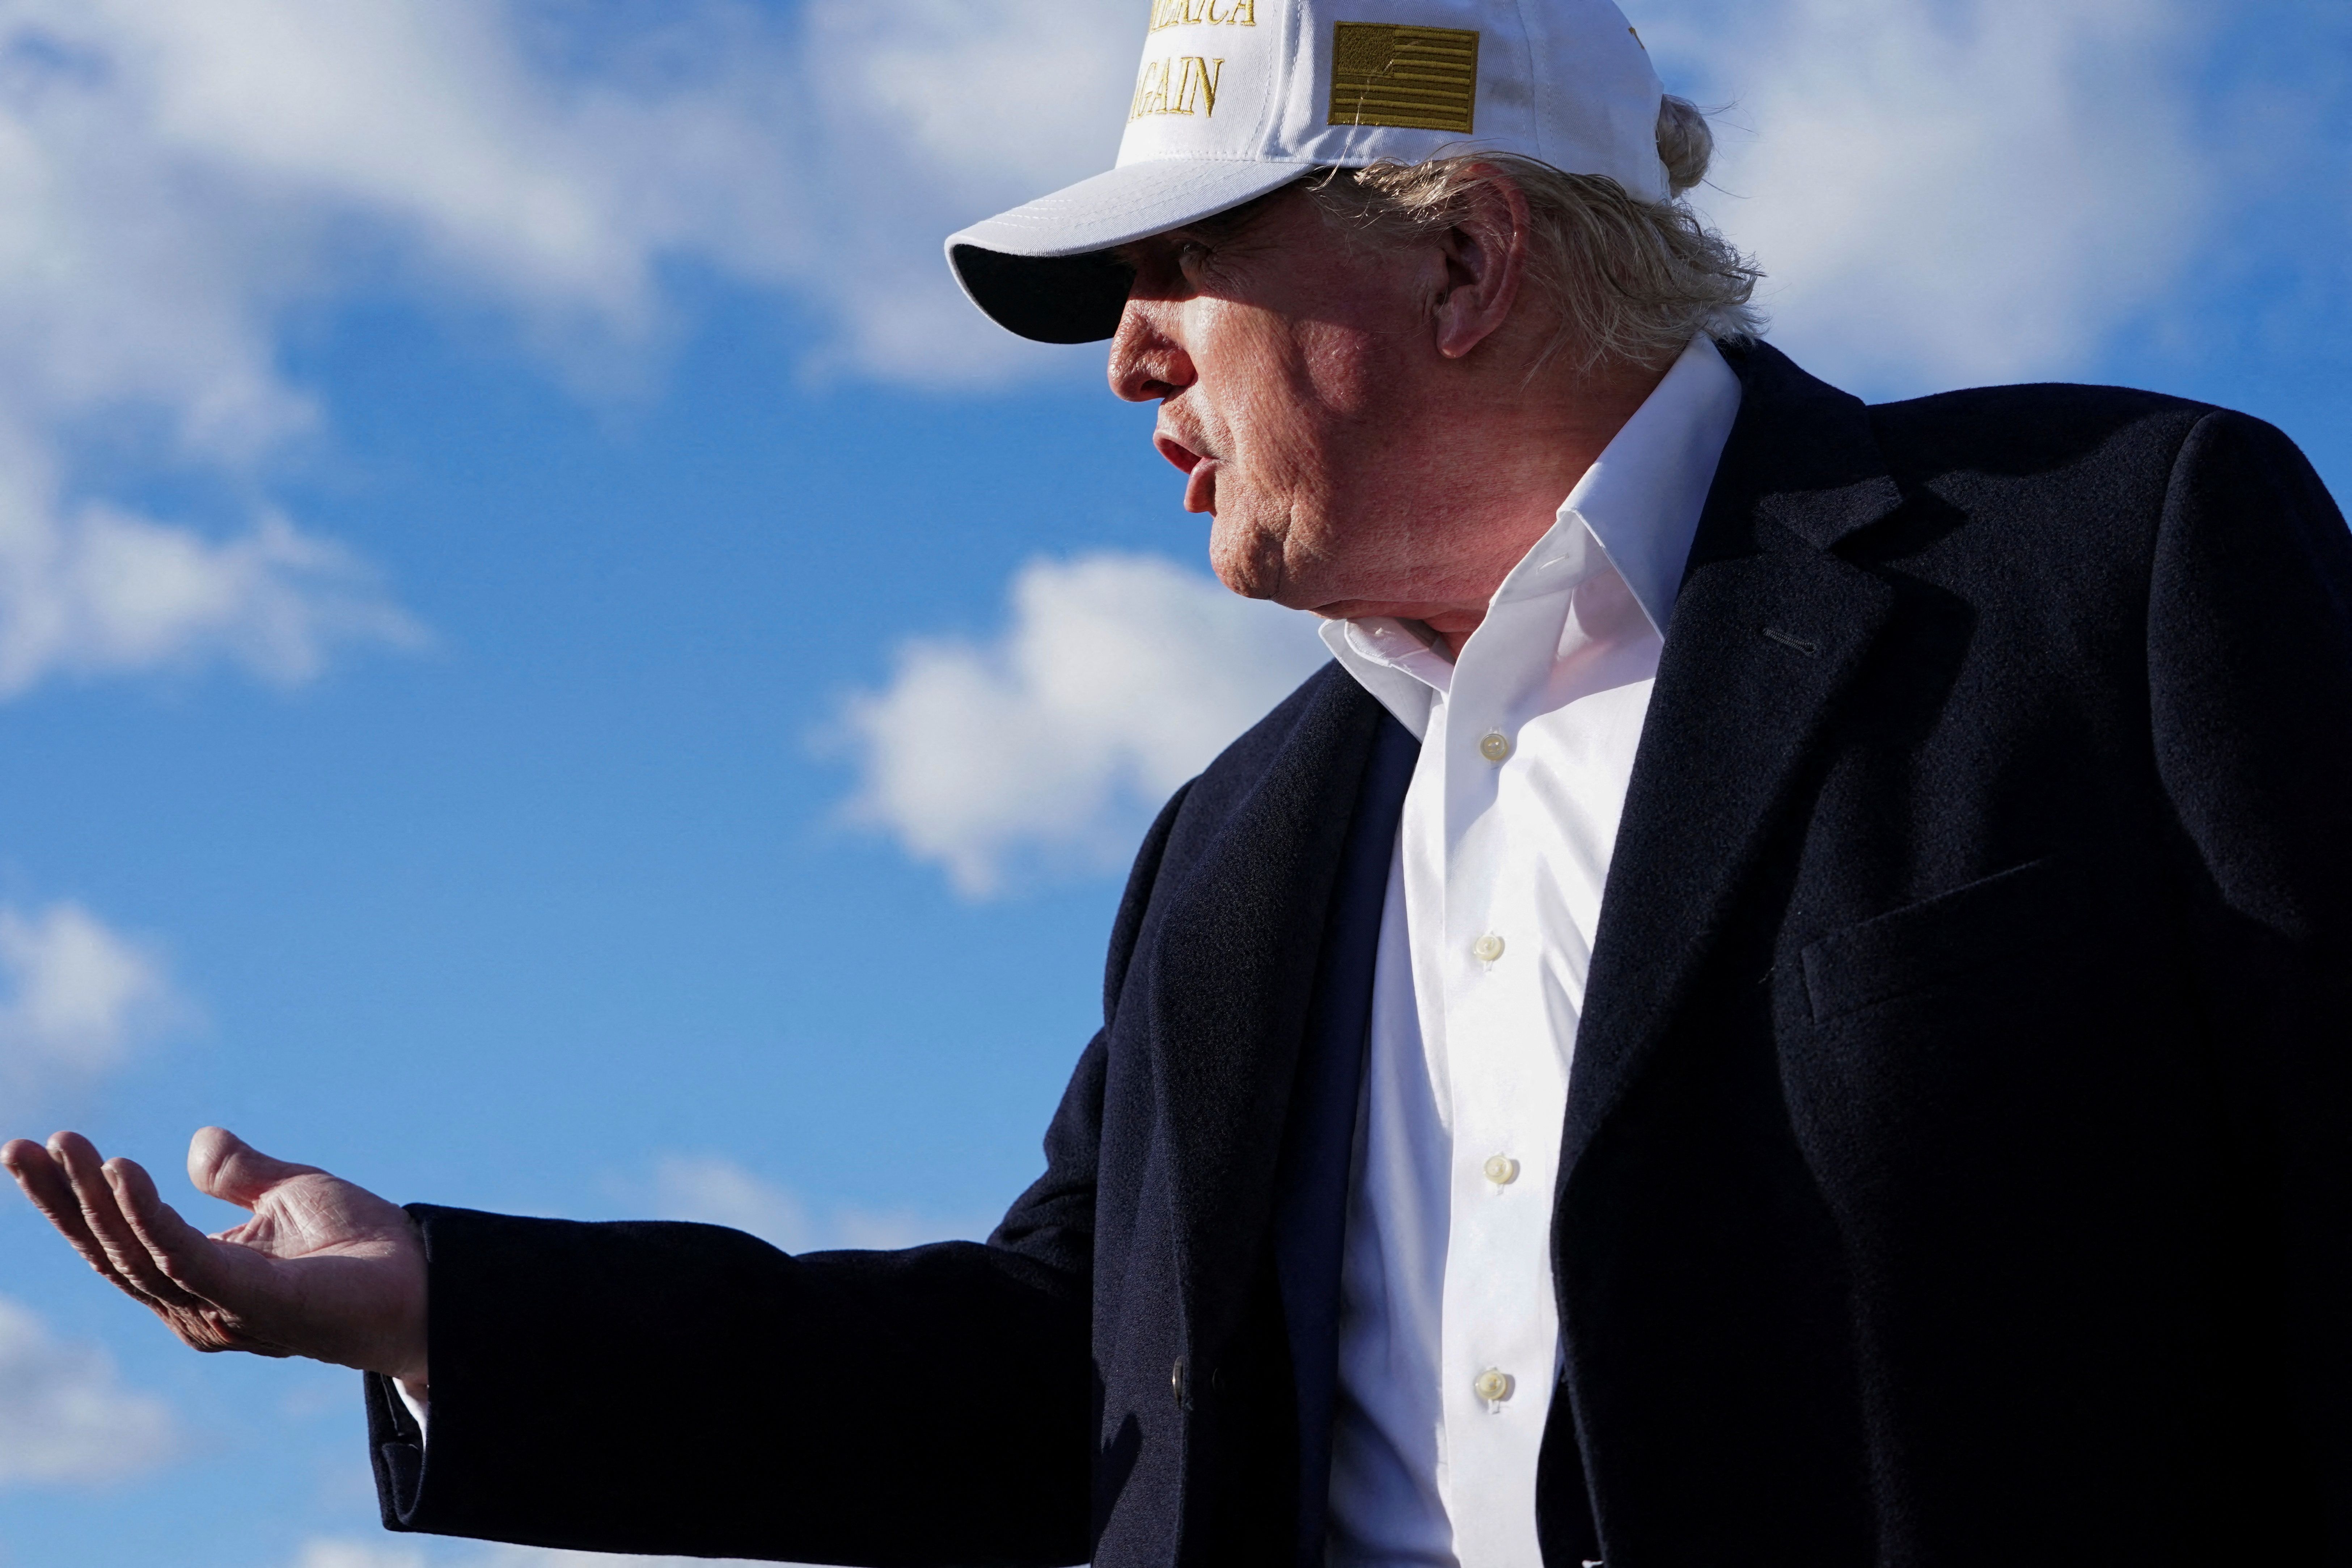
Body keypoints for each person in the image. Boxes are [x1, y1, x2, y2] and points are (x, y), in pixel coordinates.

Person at [10, 0, 2351, 1562]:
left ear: (1469, 258)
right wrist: (442, 1306)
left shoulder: (2112, 563)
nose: (1123, 351)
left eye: (1185, 258)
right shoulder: (1230, 852)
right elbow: (1057, 1382)